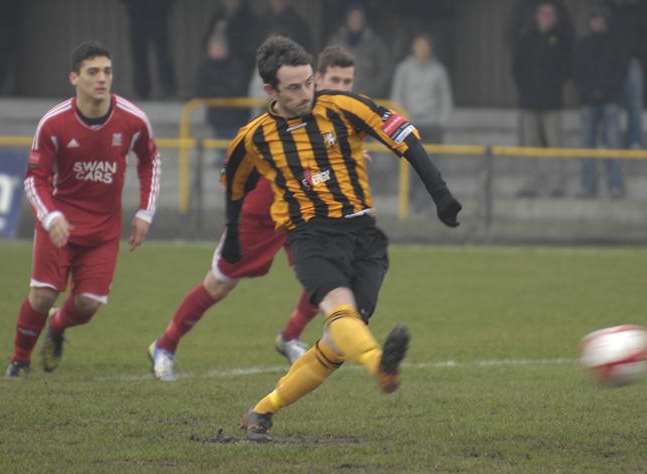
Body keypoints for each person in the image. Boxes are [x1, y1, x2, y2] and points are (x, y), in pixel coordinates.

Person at [225, 36, 461, 441]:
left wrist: (440, 196)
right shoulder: (254, 137)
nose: (307, 94)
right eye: (294, 88)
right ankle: (380, 368)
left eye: (308, 83)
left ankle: (263, 409)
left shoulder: (345, 107)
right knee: (341, 314)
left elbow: (405, 140)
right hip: (310, 236)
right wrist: (233, 237)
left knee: (335, 345)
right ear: (270, 91)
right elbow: (234, 185)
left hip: (363, 236)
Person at [147, 46, 360, 382]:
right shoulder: (270, 124)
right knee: (218, 285)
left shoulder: (339, 116)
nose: (343, 87)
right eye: (335, 79)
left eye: (348, 81)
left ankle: (290, 337)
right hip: (260, 216)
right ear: (315, 79)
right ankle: (164, 345)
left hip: (302, 215)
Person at [5, 41, 161, 377]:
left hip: (104, 230)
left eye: (107, 71)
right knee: (43, 295)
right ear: (74, 78)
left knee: (88, 305)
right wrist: (51, 216)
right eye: (93, 72)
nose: (102, 78)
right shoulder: (53, 123)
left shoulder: (132, 120)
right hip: (60, 227)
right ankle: (19, 360)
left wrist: (145, 213)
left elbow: (150, 161)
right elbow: (35, 179)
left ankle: (58, 327)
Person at [512, 1, 573, 198]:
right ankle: (531, 185)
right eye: (542, 13)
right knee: (530, 146)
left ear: (554, 18)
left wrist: (554, 85)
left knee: (555, 145)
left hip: (552, 102)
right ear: (537, 16)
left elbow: (566, 68)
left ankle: (557, 185)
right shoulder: (526, 38)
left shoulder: (561, 39)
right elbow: (516, 68)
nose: (546, 17)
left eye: (549, 14)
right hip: (529, 102)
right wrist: (525, 90)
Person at [390, 32, 454, 213]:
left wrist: (441, 121)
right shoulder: (403, 69)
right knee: (409, 168)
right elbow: (397, 97)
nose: (422, 50)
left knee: (431, 167)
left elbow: (445, 98)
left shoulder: (439, 71)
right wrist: (400, 120)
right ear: (413, 48)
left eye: (425, 47)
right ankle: (409, 203)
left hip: (433, 126)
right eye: (419, 46)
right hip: (409, 125)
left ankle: (426, 204)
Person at [574, 6, 626, 198]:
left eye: (601, 19)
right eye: (594, 19)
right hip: (588, 103)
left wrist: (605, 92)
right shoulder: (583, 44)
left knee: (613, 145)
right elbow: (578, 73)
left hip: (611, 101)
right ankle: (588, 187)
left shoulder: (615, 45)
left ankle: (616, 186)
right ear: (590, 22)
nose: (597, 23)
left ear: (606, 22)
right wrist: (589, 93)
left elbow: (620, 73)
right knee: (587, 146)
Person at [327, 2, 391, 98]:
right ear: (347, 19)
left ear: (363, 20)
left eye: (358, 18)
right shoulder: (336, 41)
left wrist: (372, 90)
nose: (355, 20)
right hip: (339, 97)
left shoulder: (375, 43)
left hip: (366, 98)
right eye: (352, 17)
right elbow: (325, 66)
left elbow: (386, 70)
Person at [120, 0, 177, 99]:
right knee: (139, 52)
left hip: (158, 11)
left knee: (162, 52)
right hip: (137, 11)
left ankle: (167, 88)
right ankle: (142, 90)